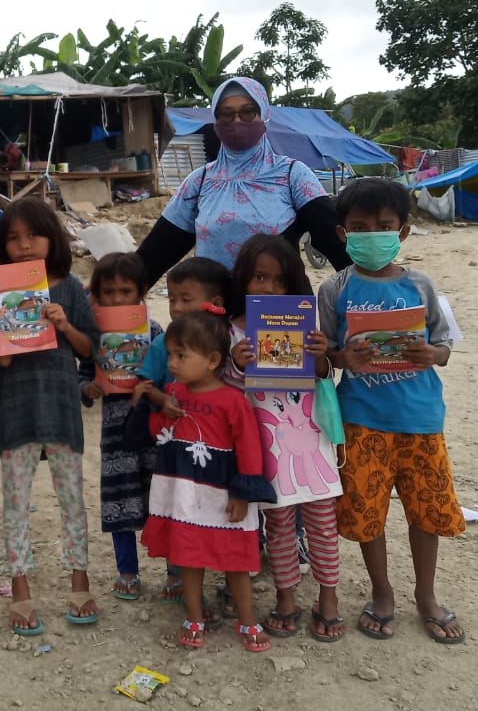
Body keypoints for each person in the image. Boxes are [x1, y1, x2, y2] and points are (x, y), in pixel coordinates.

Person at [318, 178, 465, 645]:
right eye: (360, 227)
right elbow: (325, 356)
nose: (373, 234)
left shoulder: (422, 284)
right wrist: (343, 358)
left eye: (384, 226)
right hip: (361, 419)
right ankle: (382, 593)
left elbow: (445, 345)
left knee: (427, 513)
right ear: (343, 233)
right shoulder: (333, 288)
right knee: (368, 513)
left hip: (421, 419)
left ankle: (426, 595)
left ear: (401, 232)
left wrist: (433, 355)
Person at [0, 198, 100, 636]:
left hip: (61, 404)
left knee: (71, 500)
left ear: (53, 238)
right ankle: (20, 585)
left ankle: (79, 578)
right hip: (15, 406)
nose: (24, 245)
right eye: (13, 238)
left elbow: (91, 350)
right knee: (15, 502)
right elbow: (1, 362)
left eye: (33, 235)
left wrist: (65, 326)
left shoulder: (68, 288)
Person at [226, 234, 344, 643]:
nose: (269, 289)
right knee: (278, 526)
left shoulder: (303, 324)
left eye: (280, 281)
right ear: (243, 278)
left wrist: (320, 355)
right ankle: (286, 598)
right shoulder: (231, 333)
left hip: (313, 440)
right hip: (269, 447)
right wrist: (235, 365)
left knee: (323, 525)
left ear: (292, 286)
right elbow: (225, 393)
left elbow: (323, 376)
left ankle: (328, 600)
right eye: (259, 277)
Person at [140, 307, 276, 653]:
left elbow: (249, 447)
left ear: (213, 360)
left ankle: (247, 619)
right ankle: (194, 615)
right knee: (188, 554)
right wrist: (158, 406)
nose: (172, 362)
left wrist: (244, 493)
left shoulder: (233, 400)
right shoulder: (176, 394)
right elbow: (161, 434)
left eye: (182, 355)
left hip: (223, 492)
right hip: (184, 493)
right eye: (171, 354)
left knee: (235, 558)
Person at [136, 76, 349, 288]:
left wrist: (370, 294)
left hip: (279, 313)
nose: (237, 121)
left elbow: (335, 243)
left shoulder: (292, 175)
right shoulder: (199, 182)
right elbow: (156, 253)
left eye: (248, 112)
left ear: (264, 115)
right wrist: (120, 291)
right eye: (226, 114)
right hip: (217, 311)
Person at [124, 257, 231, 604]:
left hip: (216, 443)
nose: (176, 307)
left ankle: (225, 577)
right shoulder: (163, 343)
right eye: (171, 299)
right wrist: (163, 398)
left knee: (217, 506)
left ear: (214, 305)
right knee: (179, 508)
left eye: (185, 298)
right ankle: (178, 574)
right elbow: (144, 383)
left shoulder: (226, 339)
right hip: (174, 445)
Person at [78, 252, 164, 603]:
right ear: (95, 294)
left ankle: (174, 571)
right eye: (108, 291)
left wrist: (154, 388)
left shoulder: (154, 330)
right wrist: (87, 389)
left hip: (154, 430)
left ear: (140, 294)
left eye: (125, 291)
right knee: (119, 499)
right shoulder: (93, 335)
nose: (116, 298)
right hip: (114, 435)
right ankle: (127, 571)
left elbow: (171, 373)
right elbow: (82, 375)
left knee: (162, 498)